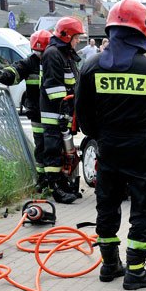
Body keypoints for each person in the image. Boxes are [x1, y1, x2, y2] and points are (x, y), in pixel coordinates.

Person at [76, 0, 146, 290]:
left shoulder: (91, 66)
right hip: (141, 148)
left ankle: (109, 265)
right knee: (143, 206)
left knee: (107, 204)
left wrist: (102, 136)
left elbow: (82, 115)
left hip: (108, 147)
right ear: (141, 29)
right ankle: (136, 271)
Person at [0, 29, 52, 192]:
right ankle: (42, 178)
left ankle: (59, 178)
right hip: (37, 111)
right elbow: (15, 72)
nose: (40, 55)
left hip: (53, 110)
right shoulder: (29, 62)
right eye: (37, 52)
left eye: (42, 51)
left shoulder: (55, 60)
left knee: (55, 145)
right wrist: (2, 74)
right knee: (41, 146)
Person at [40, 16, 84, 204]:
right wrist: (64, 110)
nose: (78, 41)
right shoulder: (52, 54)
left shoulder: (65, 55)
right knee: (53, 150)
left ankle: (63, 184)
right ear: (66, 35)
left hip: (63, 113)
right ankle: (55, 189)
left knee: (64, 150)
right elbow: (54, 87)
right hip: (53, 113)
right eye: (76, 37)